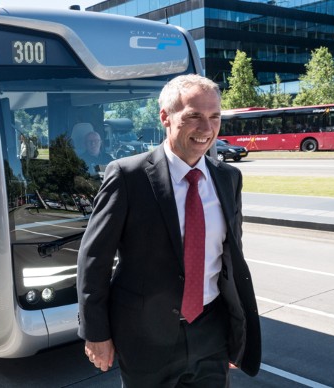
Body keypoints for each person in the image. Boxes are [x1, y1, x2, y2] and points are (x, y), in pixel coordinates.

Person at [76, 74, 261, 386]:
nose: (207, 129)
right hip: (145, 339)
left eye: (215, 117)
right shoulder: (127, 176)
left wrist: (234, 330)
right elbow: (94, 259)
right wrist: (96, 333)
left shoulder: (228, 178)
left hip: (211, 333)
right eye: (194, 117)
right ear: (165, 117)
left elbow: (229, 259)